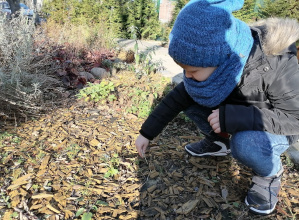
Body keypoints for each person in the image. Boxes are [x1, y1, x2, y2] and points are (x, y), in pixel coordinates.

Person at [135, 0, 299, 216]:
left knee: (246, 143)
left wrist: (234, 117)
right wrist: (146, 132)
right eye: (183, 69)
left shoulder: (275, 62)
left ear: (222, 60)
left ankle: (269, 174)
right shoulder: (218, 65)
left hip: (276, 128)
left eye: (192, 70)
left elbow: (294, 118)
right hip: (240, 117)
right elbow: (177, 98)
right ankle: (219, 142)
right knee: (192, 97)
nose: (187, 76)